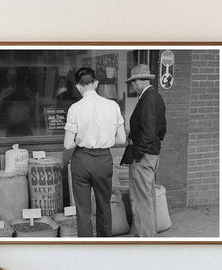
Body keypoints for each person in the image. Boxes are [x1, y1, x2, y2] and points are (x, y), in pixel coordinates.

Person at [64, 67, 126, 237]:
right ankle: (104, 245)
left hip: (81, 160)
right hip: (103, 159)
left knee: (83, 210)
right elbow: (121, 139)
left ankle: (86, 249)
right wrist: (104, 137)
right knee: (104, 205)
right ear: (96, 83)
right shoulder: (112, 106)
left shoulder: (74, 109)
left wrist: (82, 138)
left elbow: (68, 144)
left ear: (78, 87)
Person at [125, 64, 167, 237]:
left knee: (141, 200)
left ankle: (146, 240)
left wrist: (138, 153)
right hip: (152, 154)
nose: (132, 87)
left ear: (139, 82)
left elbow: (149, 132)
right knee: (147, 199)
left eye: (133, 83)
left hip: (143, 156)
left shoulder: (147, 99)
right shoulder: (156, 96)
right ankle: (145, 235)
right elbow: (162, 129)